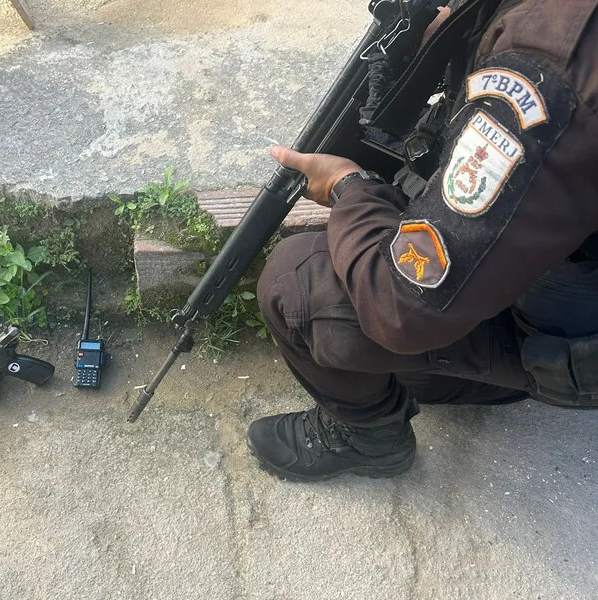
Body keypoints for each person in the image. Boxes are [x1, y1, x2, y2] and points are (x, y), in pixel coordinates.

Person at [247, 0, 598, 481]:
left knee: (299, 286)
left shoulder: (555, 60)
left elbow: (401, 309)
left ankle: (368, 440)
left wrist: (349, 188)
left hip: (563, 338)